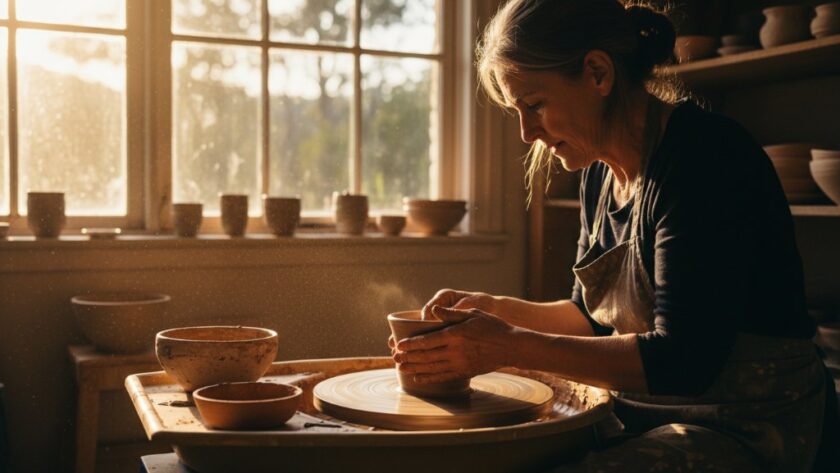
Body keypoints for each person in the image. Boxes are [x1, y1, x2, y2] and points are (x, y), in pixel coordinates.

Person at [389, 0, 839, 471]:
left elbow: (683, 360)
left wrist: (505, 344)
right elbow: (590, 318)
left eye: (535, 104)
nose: (525, 132)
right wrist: (492, 311)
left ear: (598, 73)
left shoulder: (704, 159)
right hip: (649, 412)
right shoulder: (598, 174)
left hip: (751, 424)